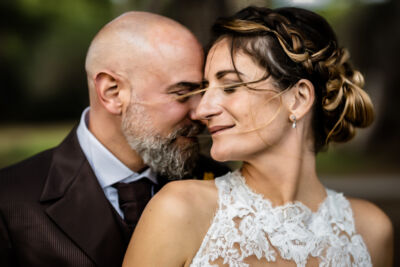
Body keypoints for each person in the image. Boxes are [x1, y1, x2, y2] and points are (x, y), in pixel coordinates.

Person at [122, 6, 394, 267]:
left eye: (230, 86)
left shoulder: (371, 231)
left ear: (298, 99)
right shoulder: (179, 211)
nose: (202, 109)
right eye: (206, 88)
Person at [0, 11, 229, 267]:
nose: (201, 112)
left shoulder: (220, 184)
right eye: (182, 93)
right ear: (112, 92)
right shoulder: (9, 201)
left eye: (203, 91)